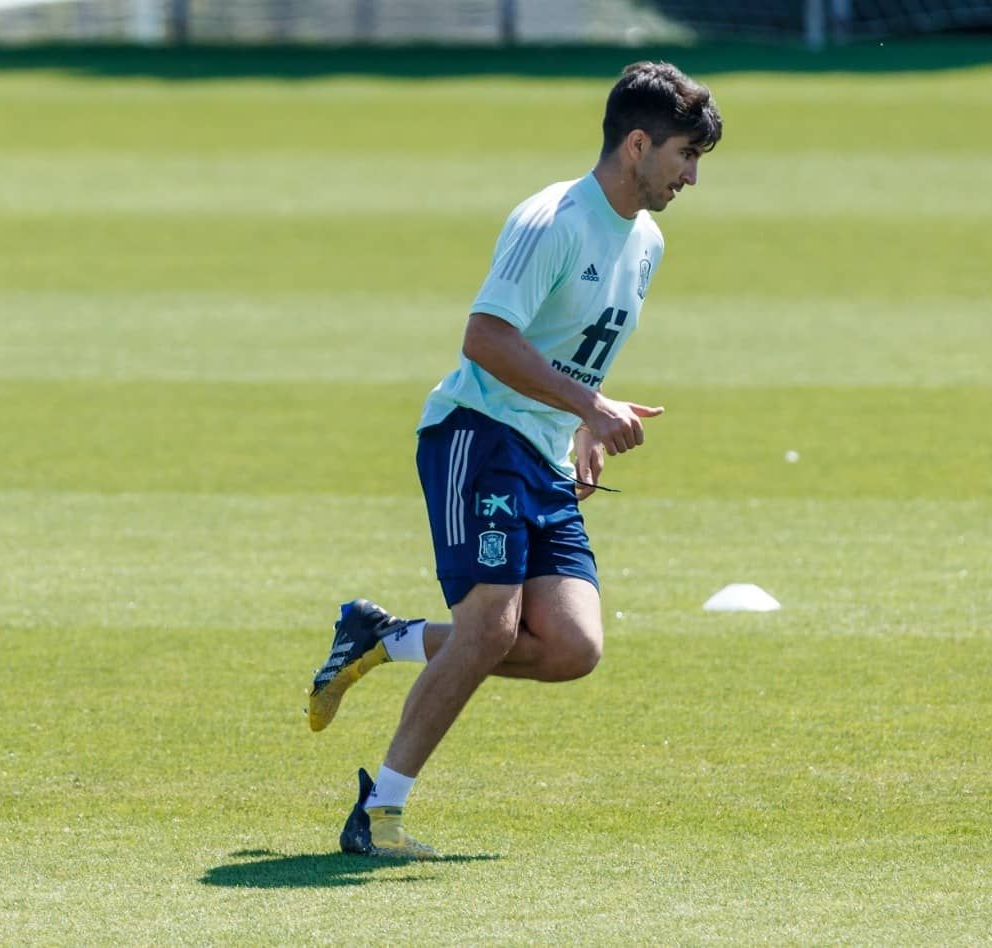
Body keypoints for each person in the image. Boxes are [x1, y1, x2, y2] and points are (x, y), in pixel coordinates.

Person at [307, 61, 723, 858]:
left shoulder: (648, 241)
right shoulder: (552, 220)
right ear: (637, 144)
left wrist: (584, 427)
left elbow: (571, 356)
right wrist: (589, 408)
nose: (693, 176)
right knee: (492, 627)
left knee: (571, 648)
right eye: (684, 156)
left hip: (541, 447)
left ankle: (379, 639)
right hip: (477, 433)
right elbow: (487, 338)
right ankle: (380, 814)